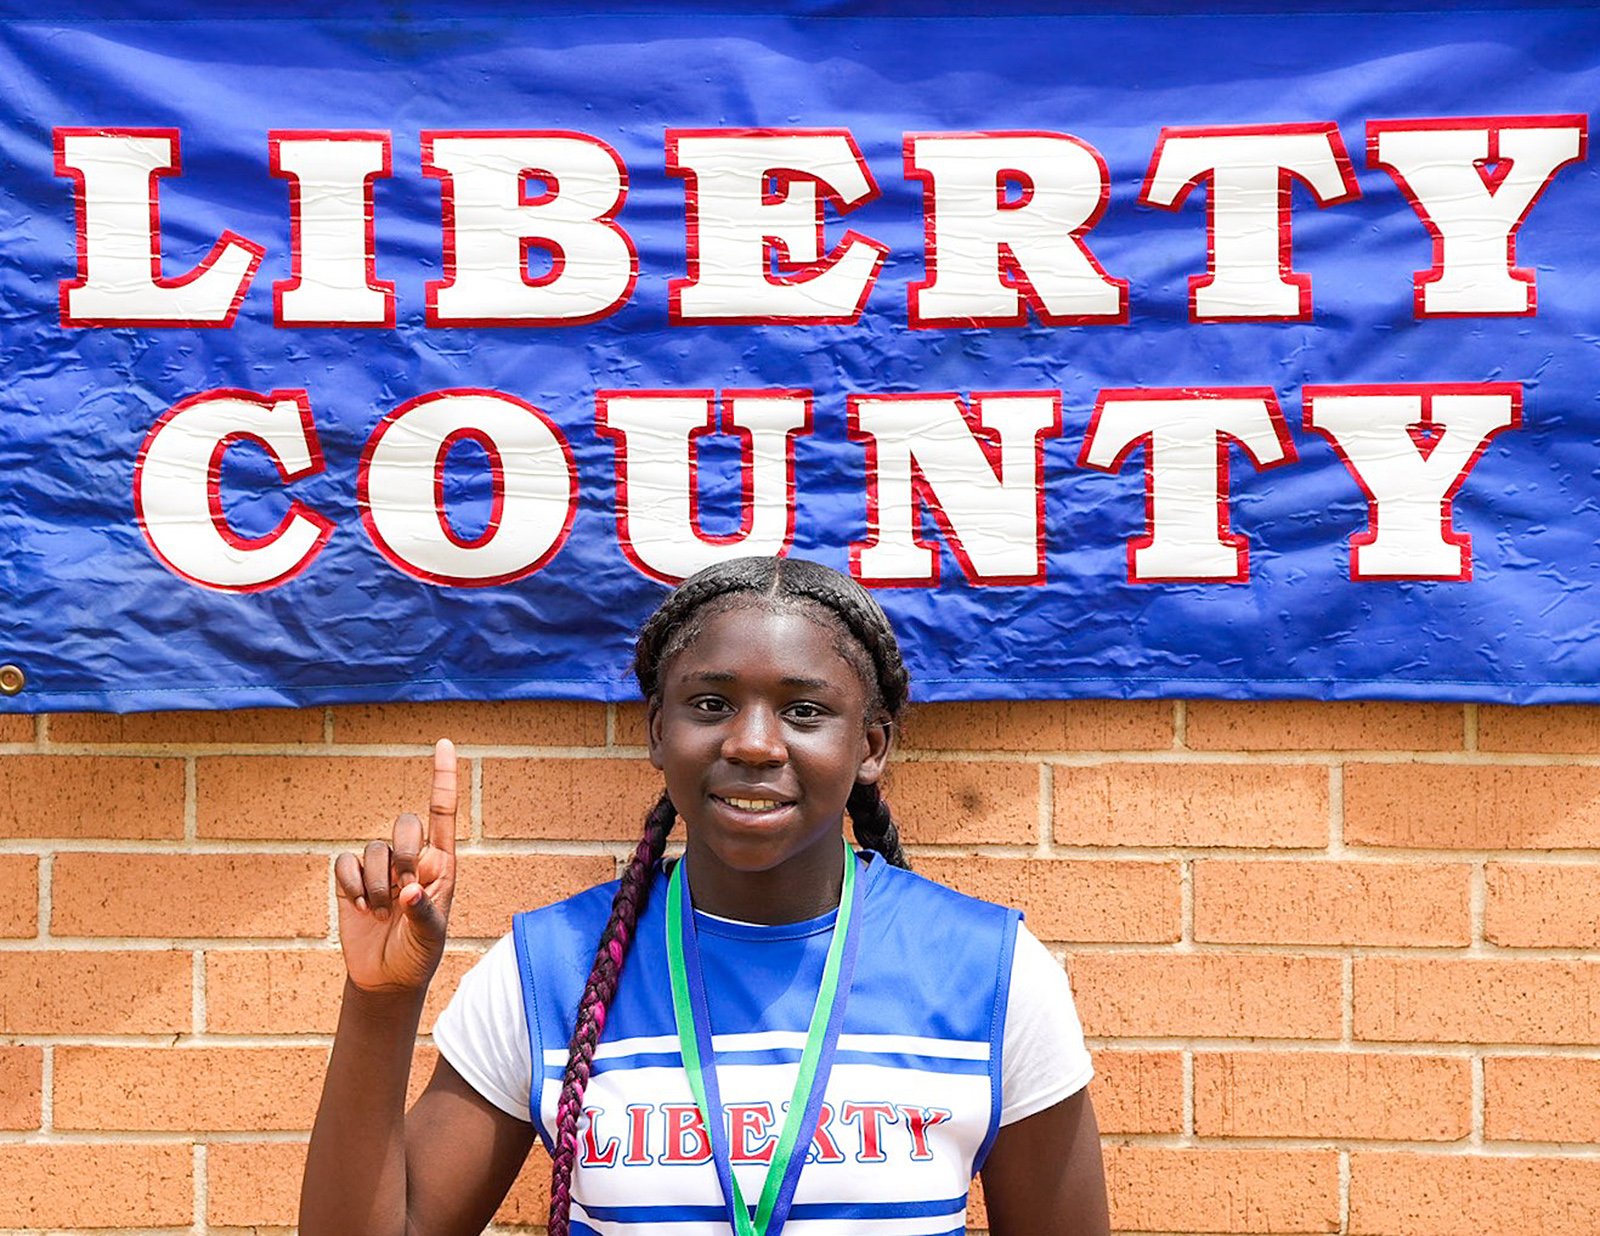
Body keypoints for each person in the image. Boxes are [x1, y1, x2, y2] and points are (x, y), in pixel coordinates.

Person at [300, 556, 1109, 1236]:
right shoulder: (548, 970)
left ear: (869, 747)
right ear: (658, 732)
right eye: (712, 704)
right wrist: (381, 1001)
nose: (753, 742)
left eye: (803, 710)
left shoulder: (992, 973)